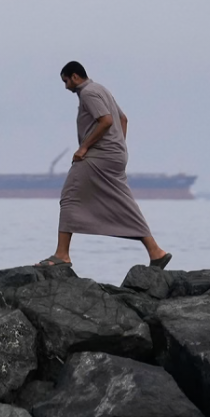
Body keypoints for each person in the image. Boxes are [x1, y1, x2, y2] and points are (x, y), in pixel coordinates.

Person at [36, 61, 172, 269]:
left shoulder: (88, 93)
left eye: (65, 81)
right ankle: (156, 252)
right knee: (123, 202)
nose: (65, 87)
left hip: (98, 156)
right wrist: (118, 147)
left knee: (70, 195)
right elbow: (123, 119)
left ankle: (62, 254)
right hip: (114, 156)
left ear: (75, 76)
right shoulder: (101, 89)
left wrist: (84, 148)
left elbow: (107, 120)